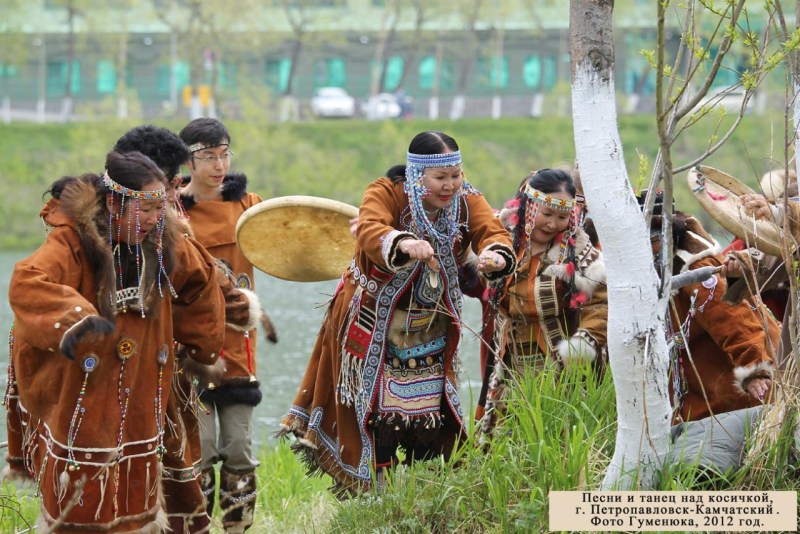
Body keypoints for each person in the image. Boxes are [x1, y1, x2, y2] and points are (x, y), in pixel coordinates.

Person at [279, 131, 515, 494]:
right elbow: (372, 228)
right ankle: (377, 492)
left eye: (456, 175)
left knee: (429, 410)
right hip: (371, 319)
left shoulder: (467, 200)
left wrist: (495, 254)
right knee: (373, 407)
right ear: (418, 174)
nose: (451, 185)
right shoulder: (387, 191)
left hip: (430, 324)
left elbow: (492, 230)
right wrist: (403, 242)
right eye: (441, 177)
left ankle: (420, 490)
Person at [8, 151, 225, 532]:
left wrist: (199, 342)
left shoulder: (163, 239)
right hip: (87, 385)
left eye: (161, 208)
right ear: (114, 203)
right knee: (85, 486)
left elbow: (201, 282)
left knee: (147, 483)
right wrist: (76, 320)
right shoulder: (73, 240)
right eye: (146, 209)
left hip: (144, 383)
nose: (156, 218)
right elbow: (29, 281)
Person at [476, 169, 608, 435]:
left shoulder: (578, 250)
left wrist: (584, 342)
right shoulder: (503, 239)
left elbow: (602, 303)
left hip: (560, 361)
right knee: (504, 438)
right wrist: (488, 267)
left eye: (561, 217)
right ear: (530, 206)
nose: (552, 224)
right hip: (509, 358)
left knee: (557, 436)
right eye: (546, 214)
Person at [179, 118, 263, 532]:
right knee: (201, 447)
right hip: (187, 349)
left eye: (224, 153)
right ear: (188, 160)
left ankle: (237, 528)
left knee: (238, 449)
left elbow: (290, 243)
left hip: (237, 346)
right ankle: (196, 527)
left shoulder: (251, 207)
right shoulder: (170, 209)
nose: (219, 164)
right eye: (208, 156)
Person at [644, 192, 777, 423]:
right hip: (699, 390)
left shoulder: (696, 270)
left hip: (734, 400)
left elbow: (734, 319)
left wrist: (754, 370)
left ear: (668, 237)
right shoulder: (652, 272)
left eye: (652, 241)